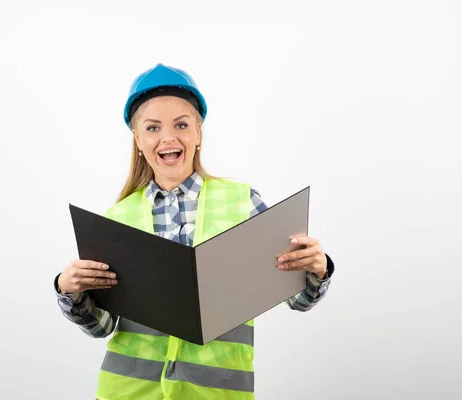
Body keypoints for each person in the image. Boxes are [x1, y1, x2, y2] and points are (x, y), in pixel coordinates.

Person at [54, 63, 334, 399]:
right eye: (153, 127)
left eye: (181, 125)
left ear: (198, 133)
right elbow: (102, 326)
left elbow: (296, 300)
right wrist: (68, 291)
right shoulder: (117, 218)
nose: (168, 137)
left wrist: (317, 270)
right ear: (138, 140)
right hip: (128, 392)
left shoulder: (242, 202)